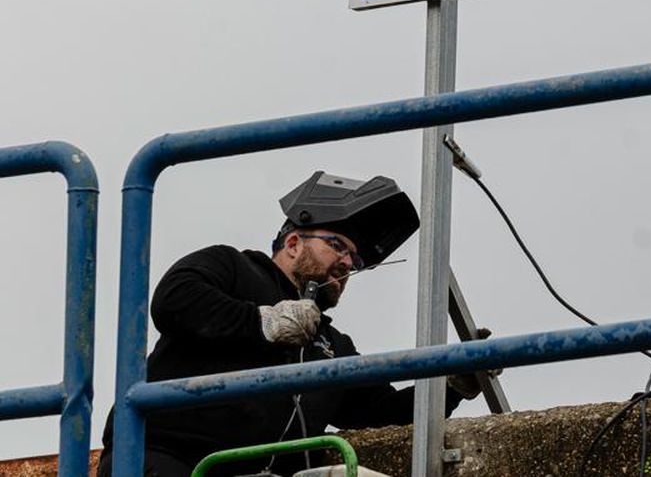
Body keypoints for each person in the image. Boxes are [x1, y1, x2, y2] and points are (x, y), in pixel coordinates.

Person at [99, 172, 487, 477]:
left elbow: (378, 408)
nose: (348, 263)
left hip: (258, 470)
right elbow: (173, 299)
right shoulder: (232, 267)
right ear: (293, 243)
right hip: (167, 457)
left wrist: (451, 387)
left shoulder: (328, 343)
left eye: (355, 258)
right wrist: (261, 322)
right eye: (337, 245)